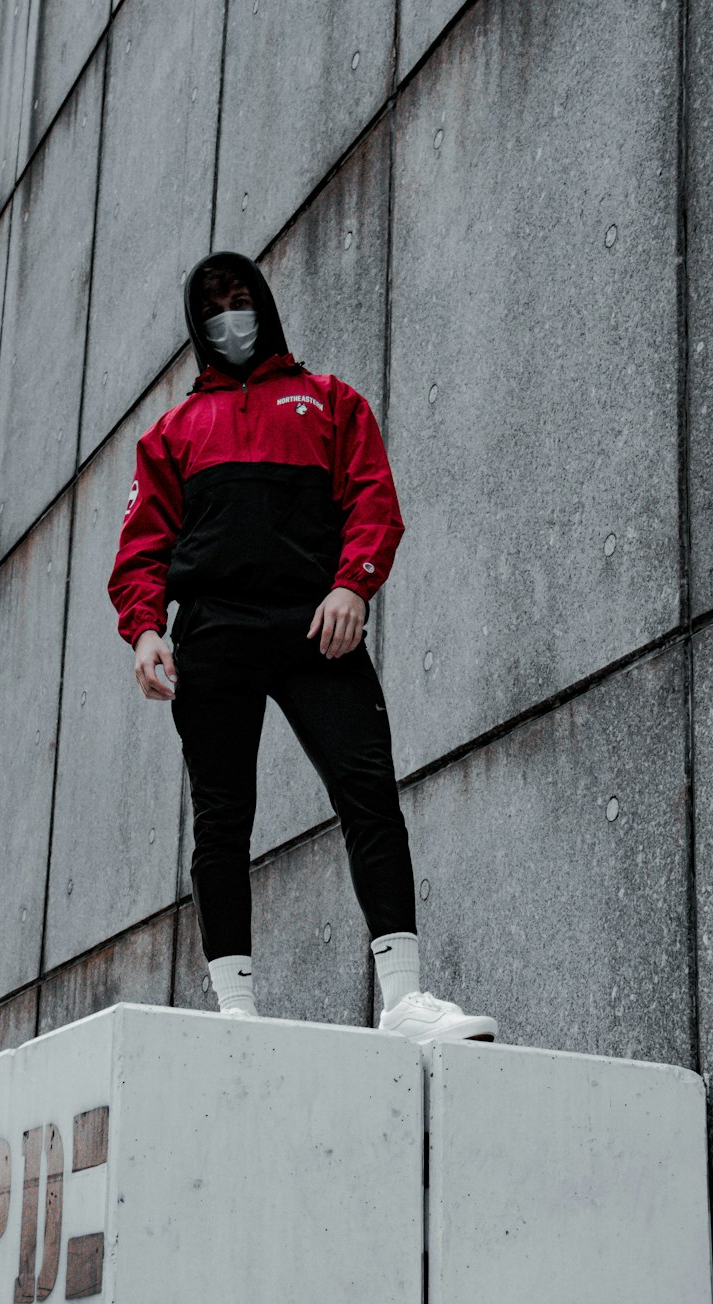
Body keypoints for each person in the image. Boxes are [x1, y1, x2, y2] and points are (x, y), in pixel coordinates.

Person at [107, 250, 497, 1045]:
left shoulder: (328, 402)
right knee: (221, 821)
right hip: (213, 634)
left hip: (315, 624)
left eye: (240, 298)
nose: (230, 316)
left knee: (369, 795)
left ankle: (404, 1000)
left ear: (266, 304)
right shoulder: (173, 431)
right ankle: (236, 1014)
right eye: (213, 305)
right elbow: (140, 548)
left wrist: (353, 584)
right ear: (196, 322)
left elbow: (373, 502)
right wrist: (146, 629)